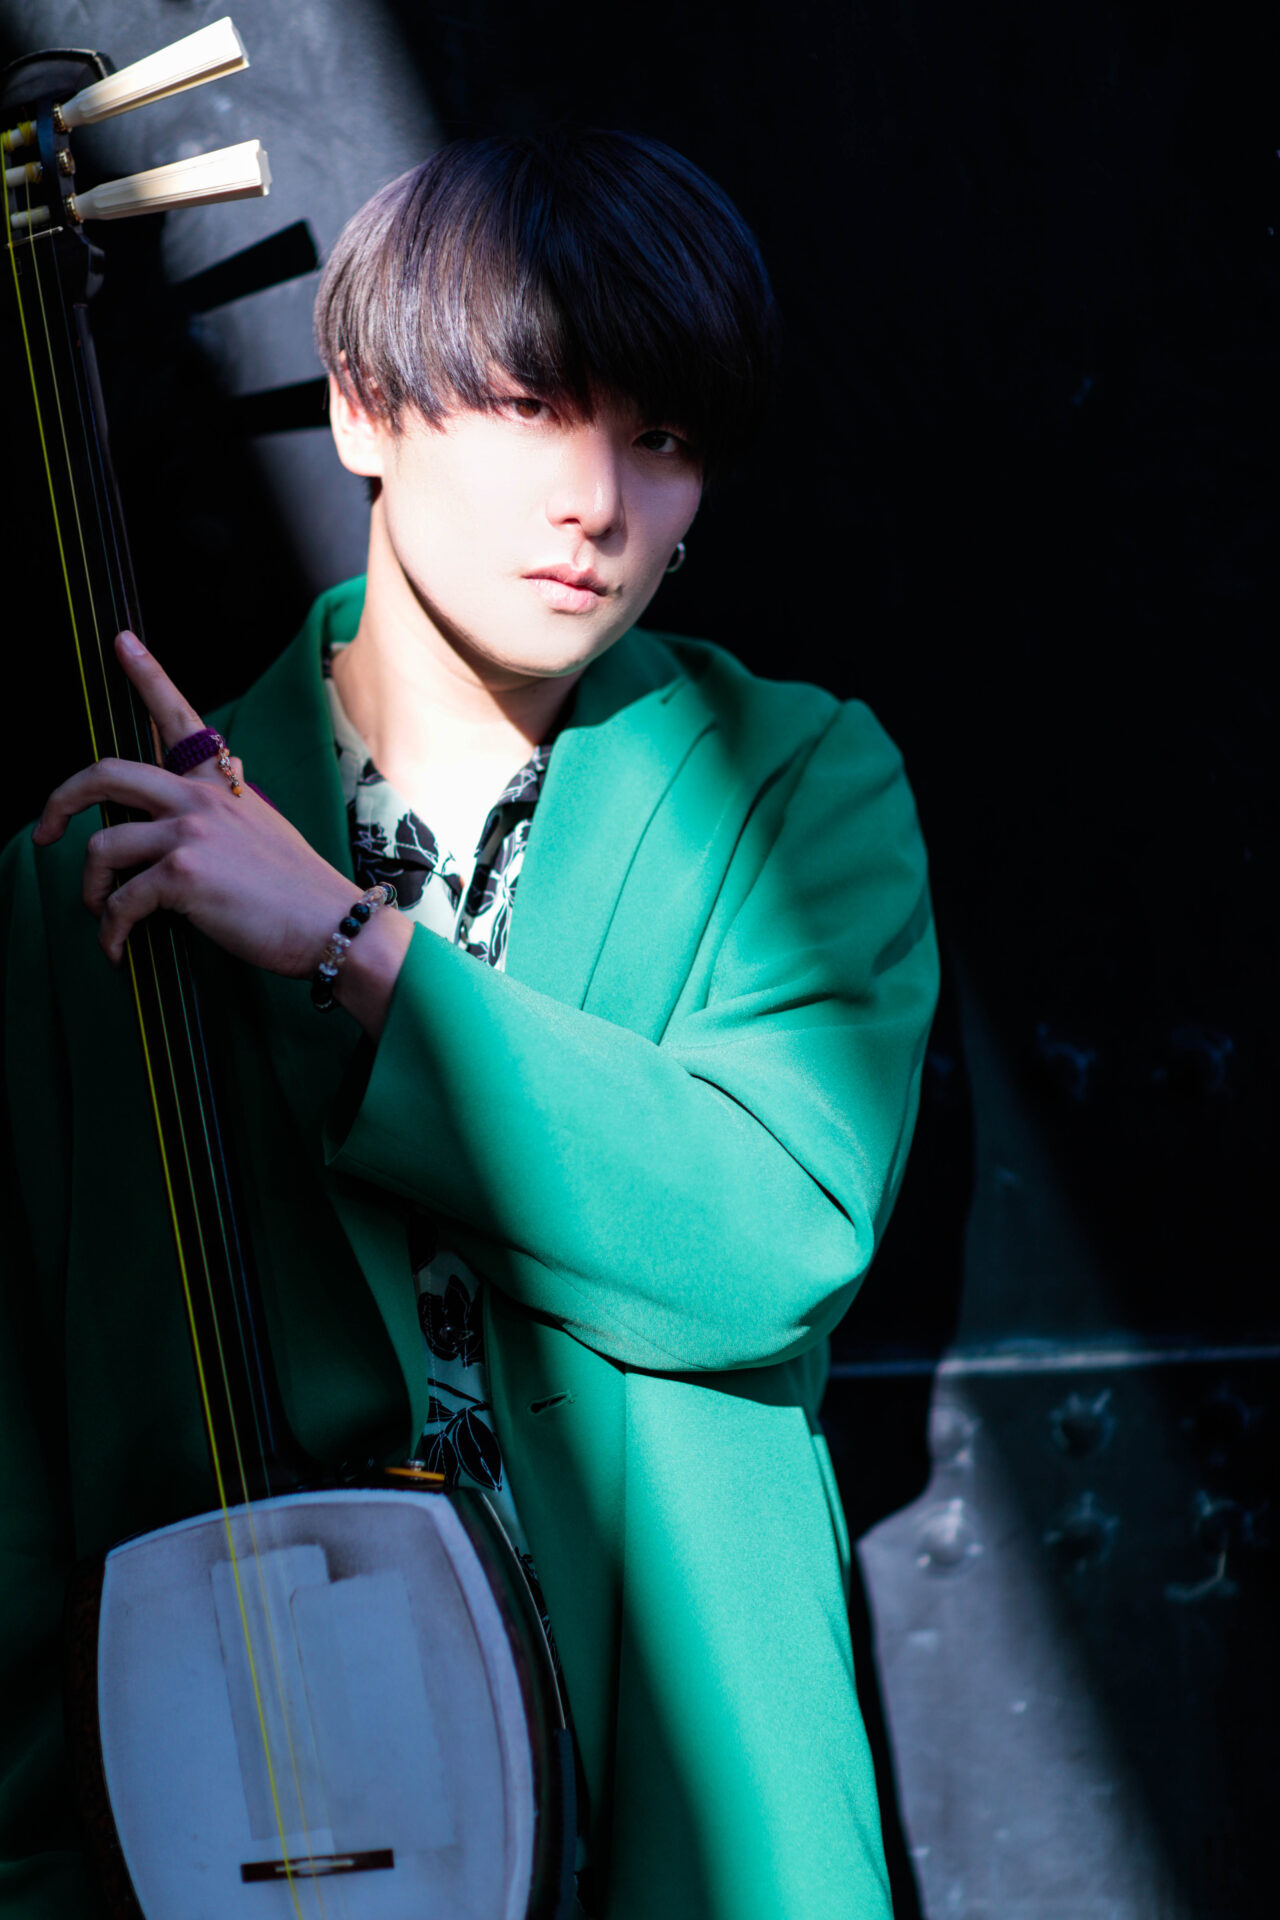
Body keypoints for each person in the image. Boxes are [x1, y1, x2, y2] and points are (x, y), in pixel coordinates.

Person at [0, 130, 938, 1918]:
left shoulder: (793, 789)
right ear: (363, 406)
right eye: (532, 408)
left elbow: (772, 1234)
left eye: (664, 439)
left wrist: (345, 945)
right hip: (266, 1823)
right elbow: (24, 1486)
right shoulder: (90, 890)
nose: (598, 500)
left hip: (691, 1819)